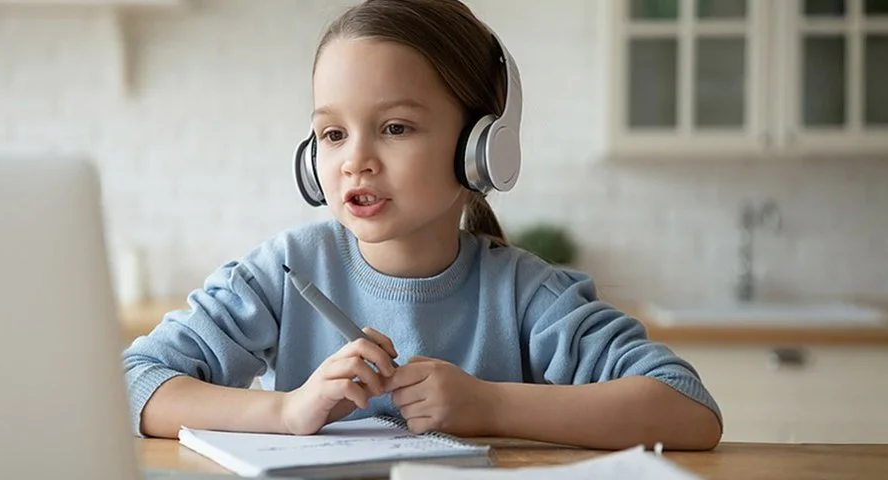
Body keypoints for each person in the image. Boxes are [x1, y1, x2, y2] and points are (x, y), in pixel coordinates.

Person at [121, 0, 722, 451]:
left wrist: (489, 405)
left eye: (395, 127)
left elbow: (687, 407)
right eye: (332, 133)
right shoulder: (280, 274)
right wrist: (285, 410)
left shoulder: (526, 297)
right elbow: (131, 384)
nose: (355, 158)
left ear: (481, 150)